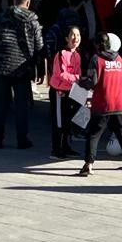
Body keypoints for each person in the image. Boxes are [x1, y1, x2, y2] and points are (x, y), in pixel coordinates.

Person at [0, 0, 44, 149]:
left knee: (0, 105)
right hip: (22, 67)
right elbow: (39, 45)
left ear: (13, 1)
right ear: (28, 2)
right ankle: (22, 139)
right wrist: (40, 68)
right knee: (21, 106)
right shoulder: (31, 18)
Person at [77, 32, 122, 176]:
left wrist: (80, 82)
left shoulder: (96, 60)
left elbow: (92, 81)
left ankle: (88, 164)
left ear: (97, 45)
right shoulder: (119, 59)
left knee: (93, 134)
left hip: (102, 104)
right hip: (118, 103)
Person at [49, 26, 82, 159]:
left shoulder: (77, 55)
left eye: (78, 35)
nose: (76, 38)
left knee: (68, 120)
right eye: (73, 35)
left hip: (70, 91)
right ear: (66, 38)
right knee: (59, 121)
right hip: (59, 91)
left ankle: (66, 147)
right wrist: (77, 79)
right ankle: (57, 150)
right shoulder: (61, 54)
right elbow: (61, 74)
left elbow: (78, 72)